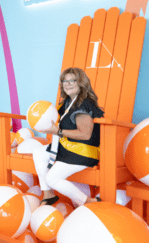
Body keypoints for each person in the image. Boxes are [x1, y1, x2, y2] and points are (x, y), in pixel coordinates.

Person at [32, 67, 104, 207]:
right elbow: (54, 121)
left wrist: (58, 132)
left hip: (83, 152)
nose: (68, 83)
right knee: (38, 153)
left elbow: (85, 134)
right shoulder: (66, 103)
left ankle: (87, 201)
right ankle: (48, 194)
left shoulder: (84, 104)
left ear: (81, 83)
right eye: (65, 81)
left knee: (52, 178)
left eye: (73, 80)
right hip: (67, 147)